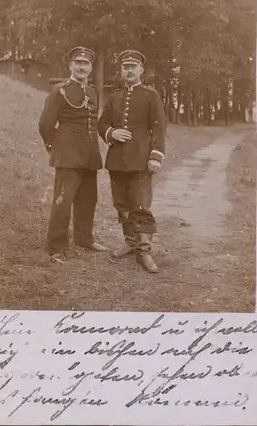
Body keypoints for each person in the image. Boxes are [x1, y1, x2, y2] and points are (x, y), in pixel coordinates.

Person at [97, 50, 166, 273]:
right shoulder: (114, 96)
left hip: (141, 160)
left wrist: (156, 155)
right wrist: (111, 132)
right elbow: (101, 124)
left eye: (133, 66)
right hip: (117, 160)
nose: (128, 70)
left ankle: (144, 250)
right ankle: (130, 243)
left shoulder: (150, 95)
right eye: (125, 66)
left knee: (141, 205)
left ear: (141, 70)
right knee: (122, 204)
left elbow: (159, 128)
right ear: (121, 71)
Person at [38, 46, 107, 263]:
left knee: (88, 200)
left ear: (90, 67)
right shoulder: (60, 90)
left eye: (85, 63)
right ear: (70, 66)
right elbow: (45, 123)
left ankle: (84, 239)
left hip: (90, 154)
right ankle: (56, 247)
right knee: (63, 200)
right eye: (77, 62)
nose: (81, 66)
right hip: (67, 154)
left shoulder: (93, 91)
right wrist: (54, 146)